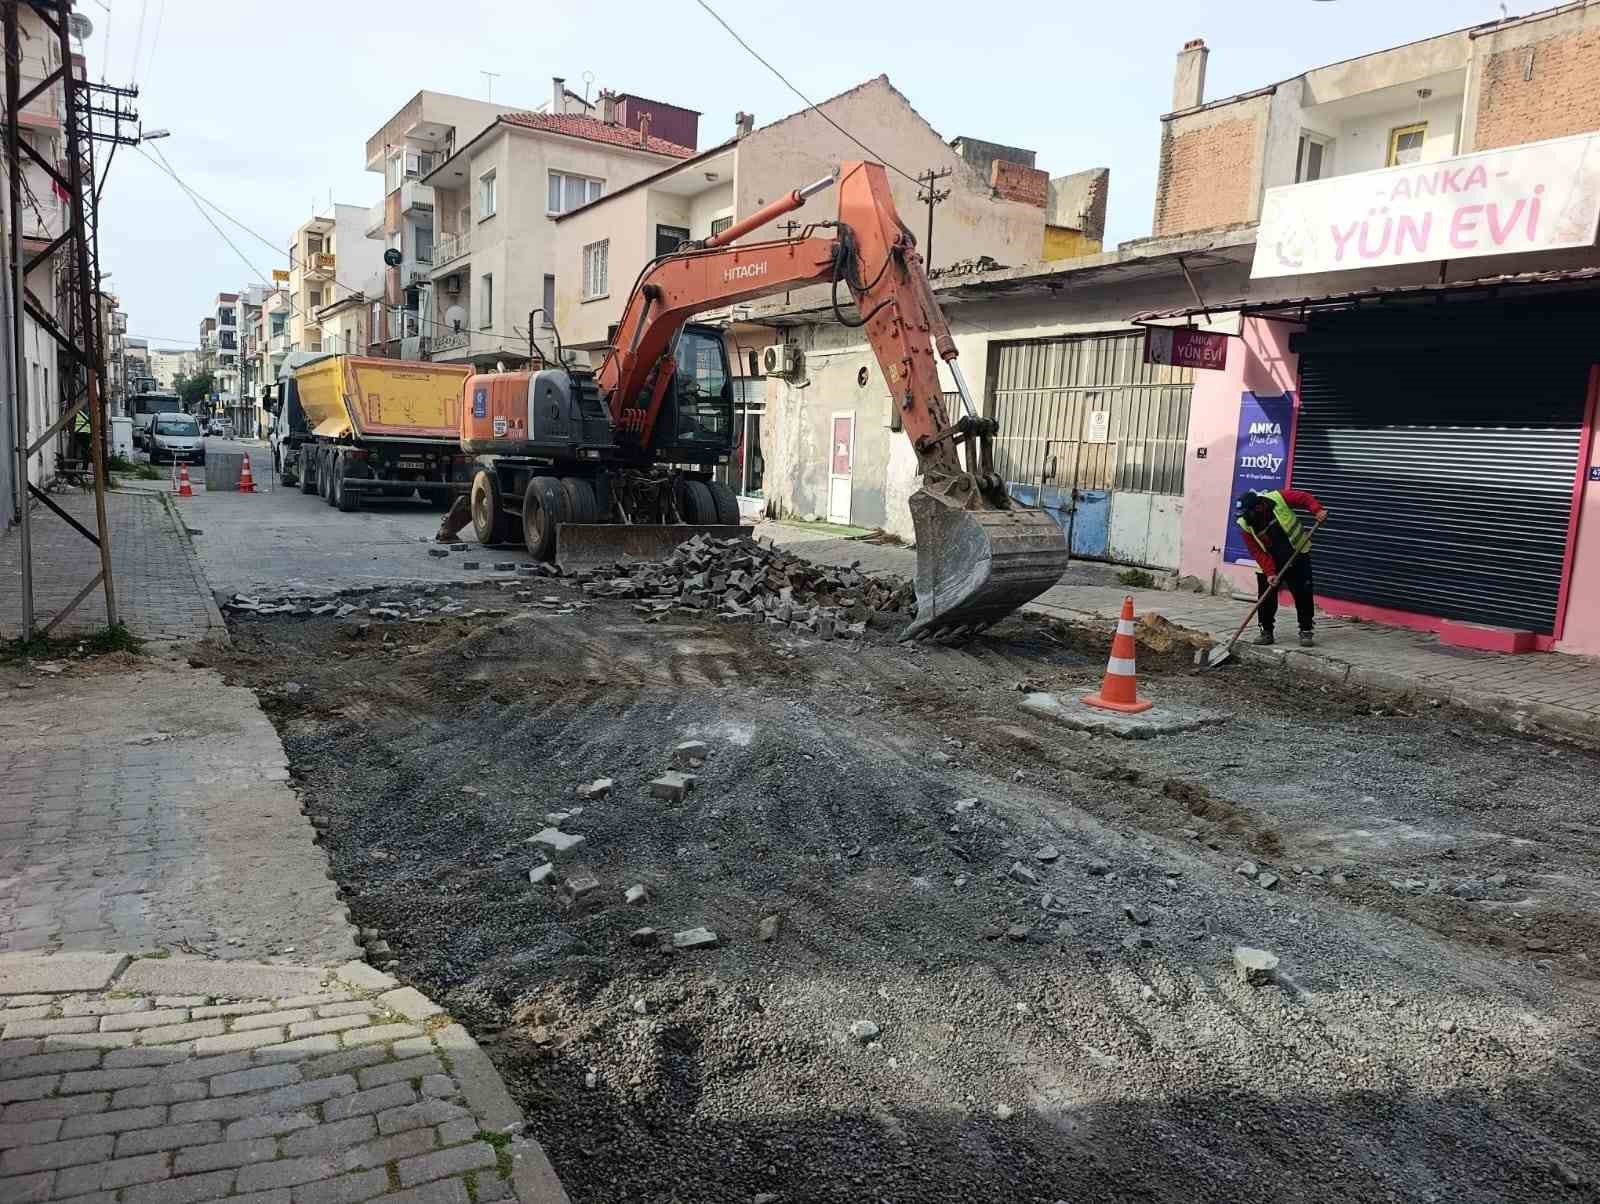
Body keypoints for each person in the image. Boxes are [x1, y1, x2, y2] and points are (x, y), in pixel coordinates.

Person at [1235, 487, 1328, 647]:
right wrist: (1270, 573)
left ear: (1258, 507)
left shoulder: (1278, 498)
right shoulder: (1245, 524)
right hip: (1270, 561)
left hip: (1297, 554)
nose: (1244, 517)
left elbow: (1303, 497)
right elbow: (1256, 551)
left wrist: (1317, 510)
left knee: (1303, 593)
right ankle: (1266, 631)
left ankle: (1306, 630)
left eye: (1246, 513)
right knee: (1266, 598)